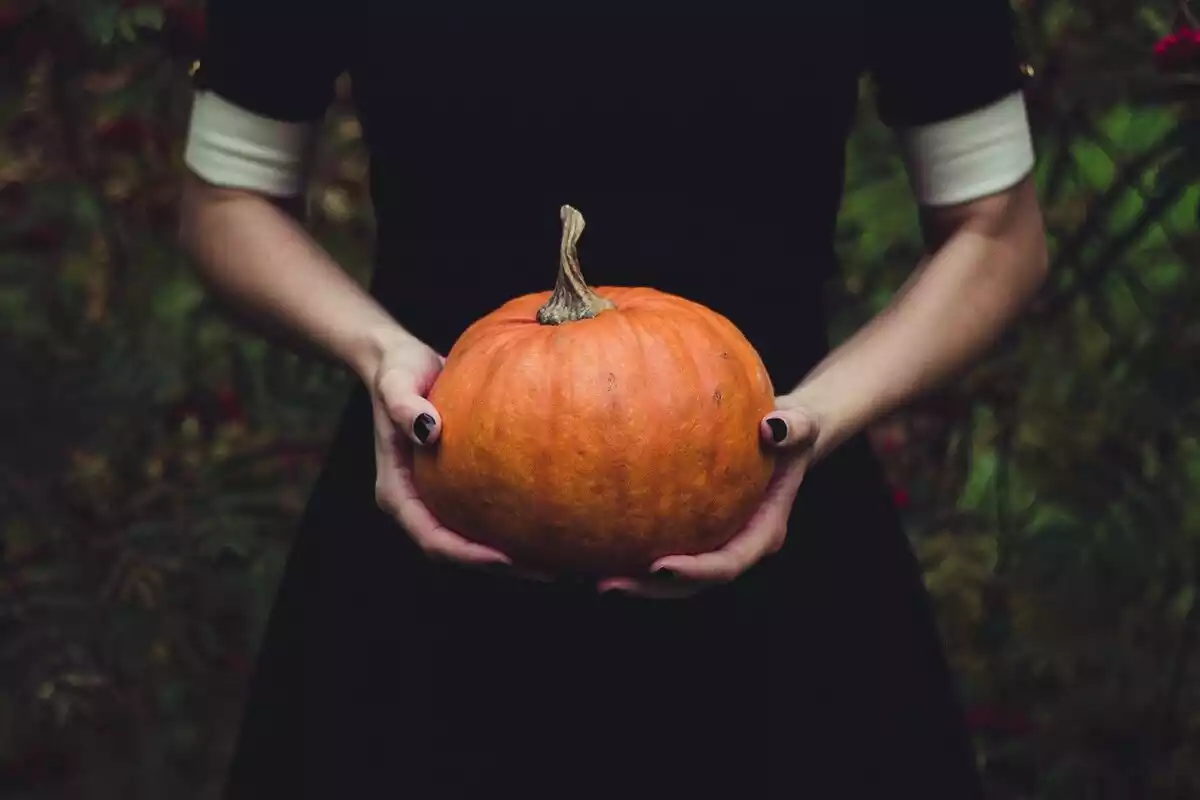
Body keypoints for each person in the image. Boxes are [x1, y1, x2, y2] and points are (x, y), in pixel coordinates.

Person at [179, 1, 1048, 797]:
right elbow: (228, 199)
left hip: (777, 514)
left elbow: (997, 229)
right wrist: (380, 357)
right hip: (430, 503)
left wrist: (818, 416)